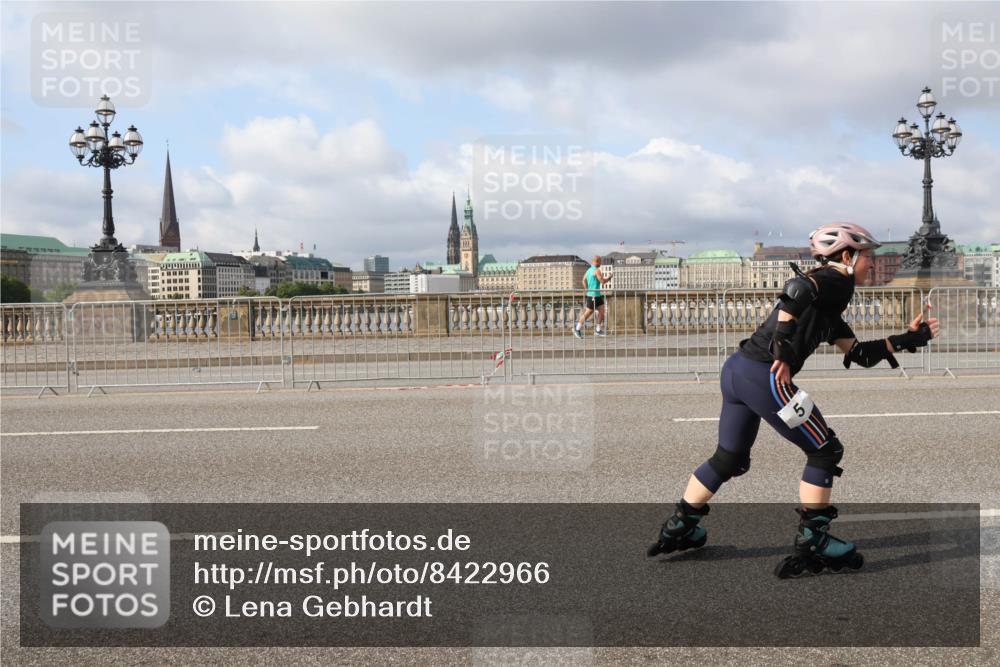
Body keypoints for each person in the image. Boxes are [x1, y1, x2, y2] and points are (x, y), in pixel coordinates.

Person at [647, 223, 939, 578]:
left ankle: (681, 524)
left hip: (738, 371)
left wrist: (911, 338)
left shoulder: (827, 308)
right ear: (847, 256)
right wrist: (783, 350)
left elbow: (860, 354)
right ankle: (814, 540)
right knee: (825, 451)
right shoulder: (835, 281)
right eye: (869, 257)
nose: (872, 264)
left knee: (729, 457)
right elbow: (796, 289)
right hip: (765, 375)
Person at [574, 255, 610, 338]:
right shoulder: (597, 270)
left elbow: (583, 280)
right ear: (597, 261)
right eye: (600, 261)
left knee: (602, 311)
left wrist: (587, 289)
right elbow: (602, 281)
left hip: (597, 295)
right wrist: (609, 278)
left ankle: (598, 330)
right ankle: (577, 329)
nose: (601, 263)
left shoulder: (589, 270)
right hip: (593, 296)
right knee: (588, 313)